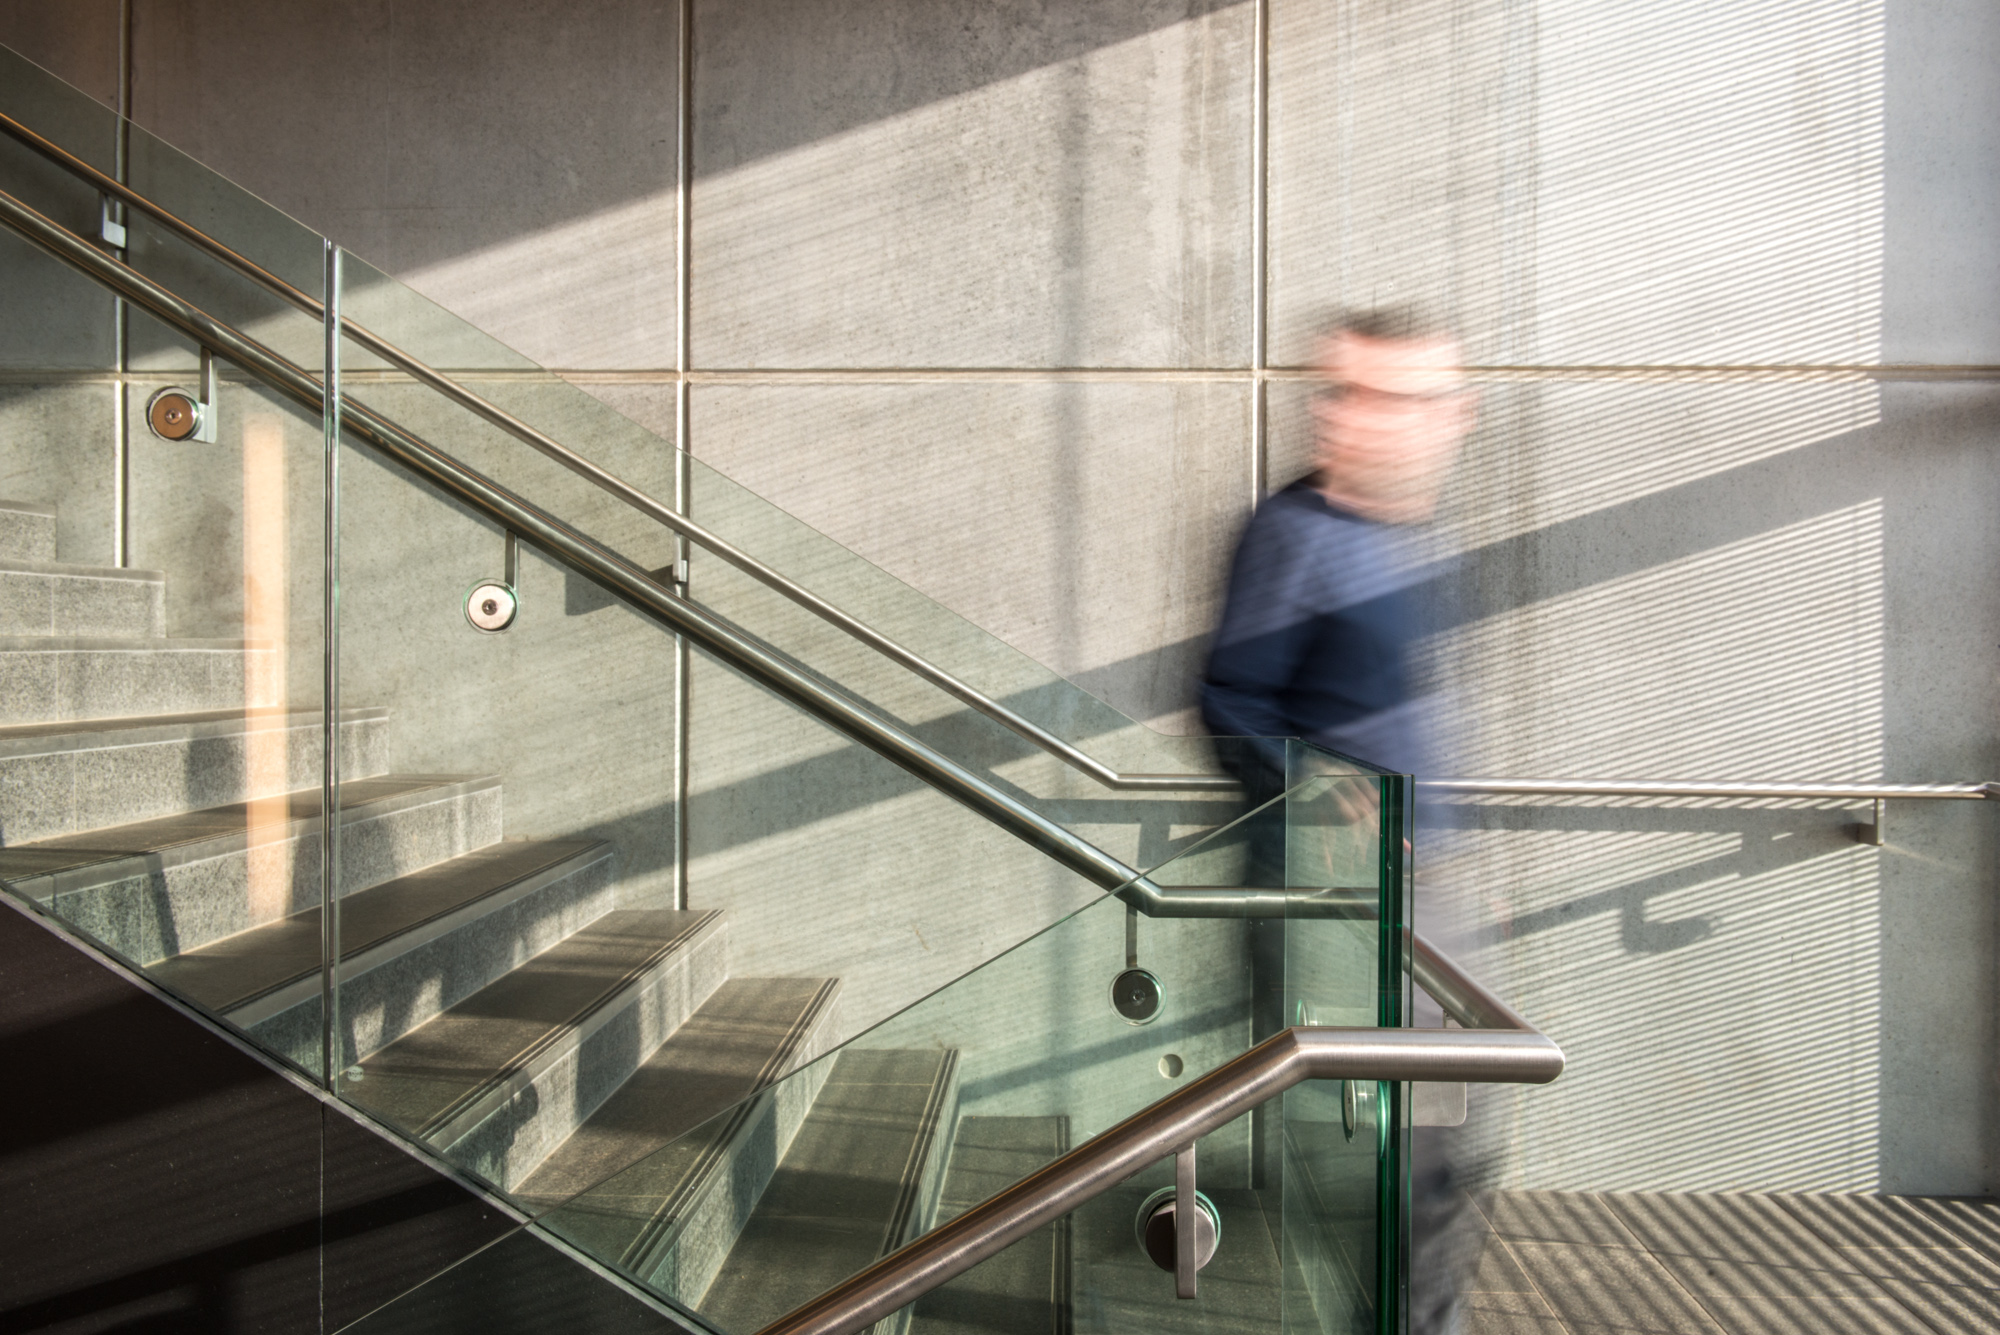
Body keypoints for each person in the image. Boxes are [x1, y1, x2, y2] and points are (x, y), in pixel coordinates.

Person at [1201, 306, 1481, 1335]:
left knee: (1444, 1151)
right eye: (1340, 394)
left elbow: (1412, 711)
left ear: (1455, 415)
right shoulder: (1293, 533)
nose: (1353, 420)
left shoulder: (1421, 534)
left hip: (1422, 894)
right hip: (1336, 910)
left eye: (1389, 398)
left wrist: (1452, 849)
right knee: (1398, 1167)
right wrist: (1322, 797)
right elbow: (1230, 700)